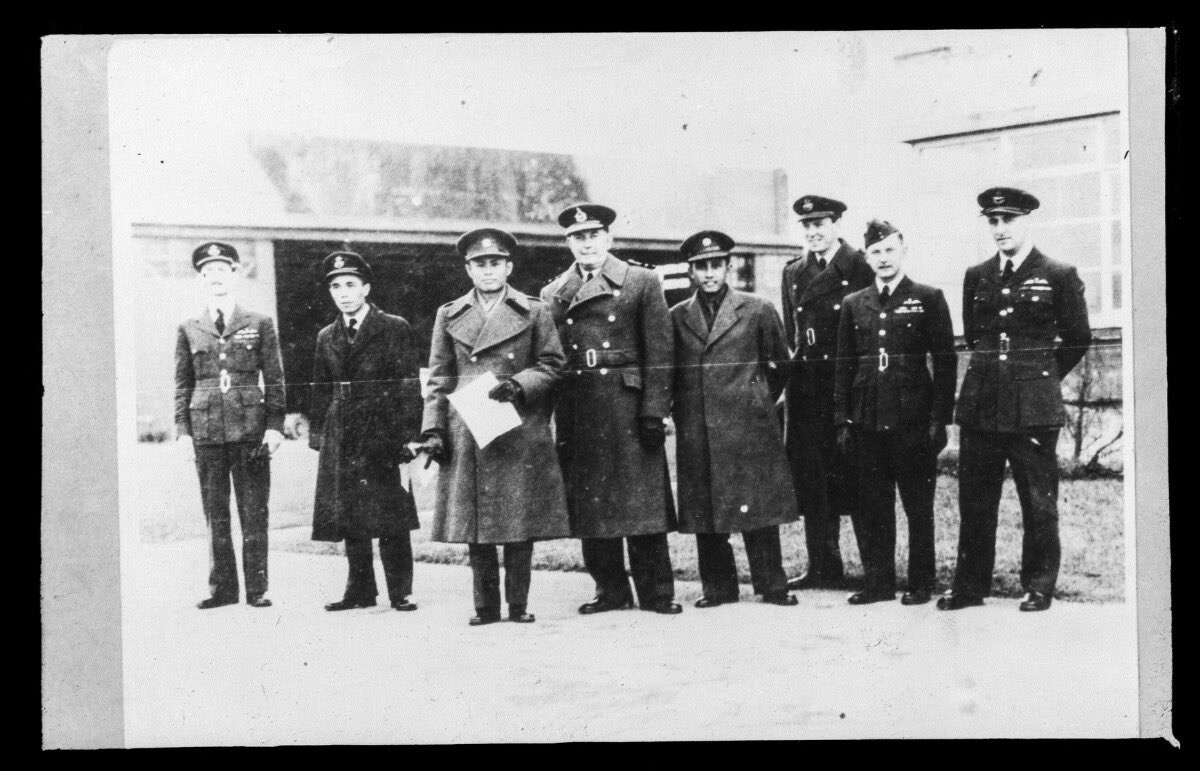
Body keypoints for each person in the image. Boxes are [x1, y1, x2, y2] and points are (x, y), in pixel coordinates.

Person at [938, 187, 1092, 613]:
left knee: (1038, 501)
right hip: (983, 403)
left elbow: (1078, 338)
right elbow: (975, 336)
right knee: (975, 499)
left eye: (1008, 220)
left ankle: (1038, 585)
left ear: (1027, 222)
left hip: (1033, 410)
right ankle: (970, 586)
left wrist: (1040, 378)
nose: (1000, 229)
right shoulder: (977, 274)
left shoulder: (1058, 273)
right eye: (993, 221)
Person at [420, 228, 571, 626]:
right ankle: (485, 608)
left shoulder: (534, 311)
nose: (488, 271)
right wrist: (433, 431)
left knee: (519, 522)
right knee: (476, 525)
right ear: (468, 270)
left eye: (495, 263)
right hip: (468, 428)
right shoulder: (448, 313)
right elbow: (439, 377)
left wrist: (519, 384)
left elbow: (552, 364)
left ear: (509, 267)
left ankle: (519, 606)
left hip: (517, 424)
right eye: (479, 264)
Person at [540, 203, 681, 615]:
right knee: (592, 504)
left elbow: (660, 350)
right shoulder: (553, 292)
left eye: (593, 235)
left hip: (627, 404)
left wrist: (655, 410)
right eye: (577, 237)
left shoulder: (641, 280)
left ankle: (657, 593)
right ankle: (610, 591)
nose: (586, 243)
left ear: (609, 239)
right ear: (568, 242)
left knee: (642, 504)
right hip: (578, 406)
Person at [669, 231, 799, 608]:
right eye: (701, 267)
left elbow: (781, 364)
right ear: (691, 271)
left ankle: (773, 584)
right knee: (707, 510)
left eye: (716, 265)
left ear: (728, 267)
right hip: (699, 426)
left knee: (757, 506)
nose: (709, 274)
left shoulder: (757, 308)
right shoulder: (677, 316)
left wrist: (756, 399)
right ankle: (718, 588)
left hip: (749, 425)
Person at [833, 220, 957, 606]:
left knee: (918, 507)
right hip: (868, 422)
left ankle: (921, 583)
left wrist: (940, 420)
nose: (883, 258)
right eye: (875, 252)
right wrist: (842, 419)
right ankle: (879, 582)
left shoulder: (929, 297)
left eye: (889, 250)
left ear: (903, 250)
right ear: (866, 257)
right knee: (873, 505)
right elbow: (844, 365)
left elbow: (946, 363)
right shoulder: (855, 304)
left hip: (912, 423)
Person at [308, 251, 423, 612]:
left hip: (383, 427)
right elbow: (320, 386)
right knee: (351, 514)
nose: (343, 293)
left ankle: (400, 591)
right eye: (336, 286)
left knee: (390, 512)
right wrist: (318, 435)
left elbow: (408, 384)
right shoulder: (327, 335)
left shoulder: (393, 326)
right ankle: (359, 590)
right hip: (341, 429)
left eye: (350, 285)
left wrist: (409, 435)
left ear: (366, 288)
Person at [174, 241, 285, 609]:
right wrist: (182, 430)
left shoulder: (258, 322)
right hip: (206, 431)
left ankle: (257, 589)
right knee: (215, 513)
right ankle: (222, 589)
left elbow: (275, 377)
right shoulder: (189, 327)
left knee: (254, 510)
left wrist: (274, 425)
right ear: (200, 279)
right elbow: (182, 384)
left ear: (235, 274)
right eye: (208, 273)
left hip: (251, 429)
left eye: (222, 271)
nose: (215, 278)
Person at [783, 195, 875, 590]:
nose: (813, 232)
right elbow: (793, 333)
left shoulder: (860, 265)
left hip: (849, 383)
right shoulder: (793, 271)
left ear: (837, 223)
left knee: (855, 475)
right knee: (813, 477)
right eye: (806, 226)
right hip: (807, 389)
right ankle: (822, 564)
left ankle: (875, 568)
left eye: (821, 223)